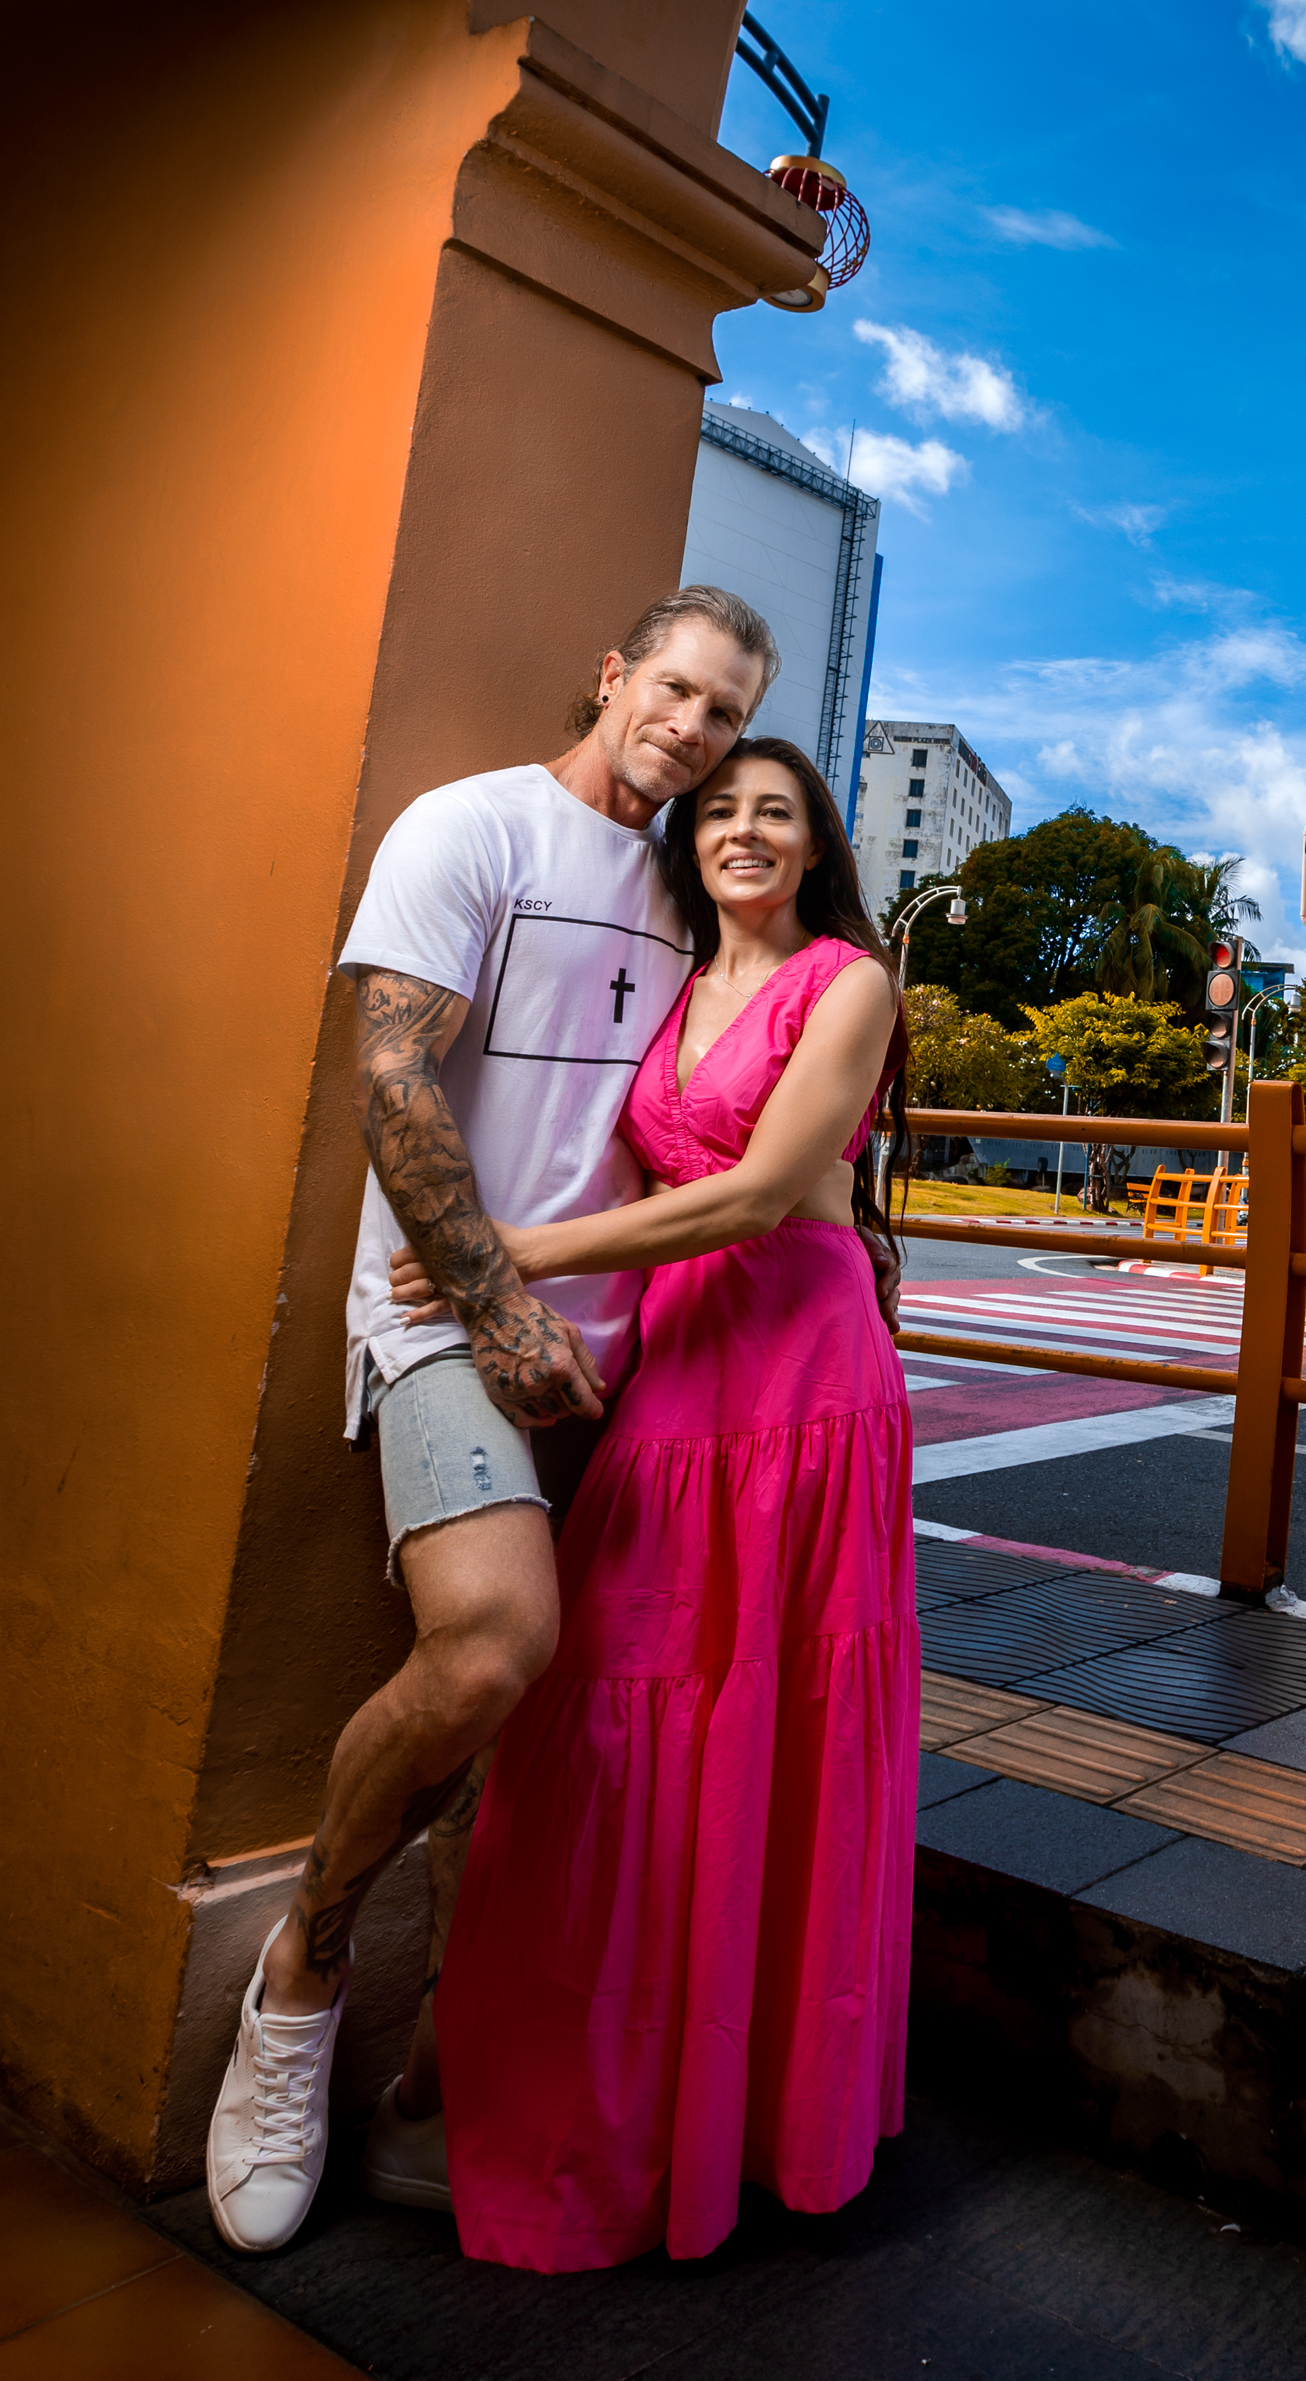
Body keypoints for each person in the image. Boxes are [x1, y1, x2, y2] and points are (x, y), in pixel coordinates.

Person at [204, 585, 777, 2256]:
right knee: (486, 1652)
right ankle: (303, 1975)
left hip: (637, 1359)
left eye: (728, 712)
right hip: (448, 1326)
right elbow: (393, 1078)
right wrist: (500, 1308)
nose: (692, 725)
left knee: (584, 1742)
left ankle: (437, 2096)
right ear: (611, 676)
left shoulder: (697, 891)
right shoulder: (476, 828)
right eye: (672, 688)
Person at [392, 734, 917, 2269]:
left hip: (805, 1382)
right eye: (723, 814)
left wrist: (505, 1257)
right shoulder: (670, 992)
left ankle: (757, 2118)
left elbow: (759, 1196)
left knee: (779, 1728)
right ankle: (619, 2110)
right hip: (677, 1377)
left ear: (816, 847)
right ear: (689, 845)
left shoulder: (849, 983)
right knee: (622, 1728)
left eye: (778, 814)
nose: (746, 832)